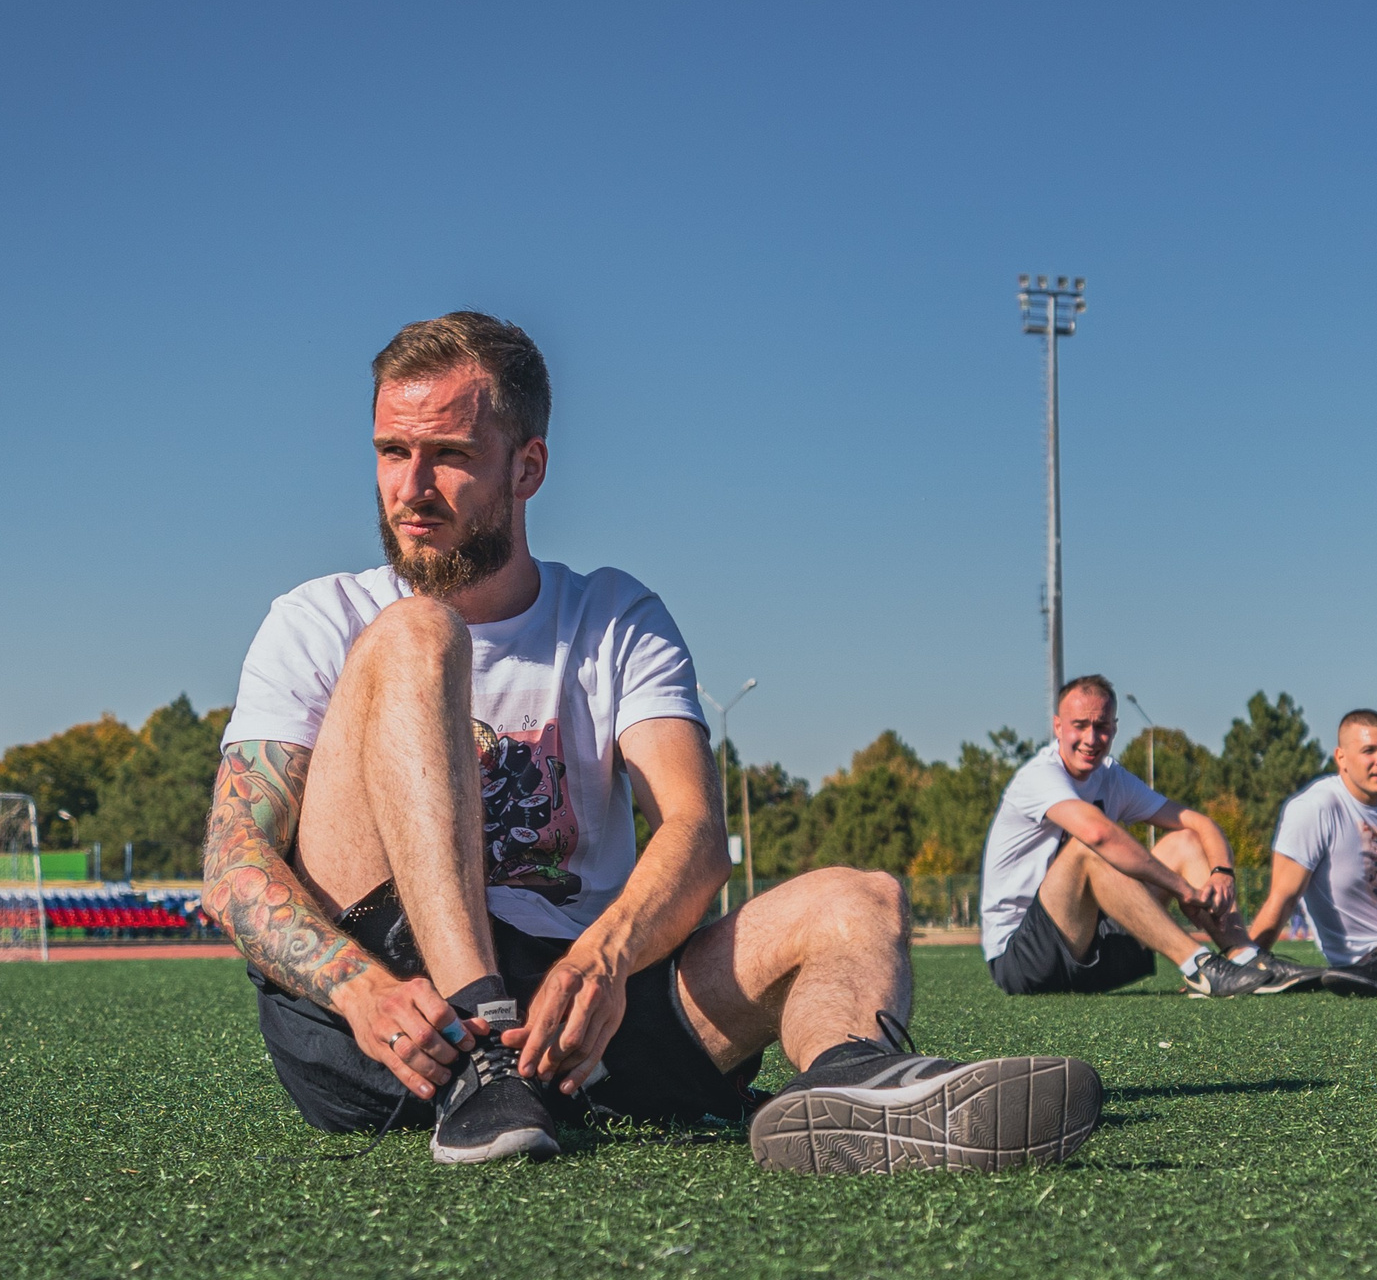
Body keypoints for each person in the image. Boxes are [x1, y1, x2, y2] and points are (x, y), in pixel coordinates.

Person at [204, 311, 1102, 1173]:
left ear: (528, 466)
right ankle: (481, 1050)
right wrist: (357, 989)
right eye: (392, 453)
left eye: (448, 456)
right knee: (419, 632)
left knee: (859, 898)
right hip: (399, 1019)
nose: (410, 488)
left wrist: (604, 961)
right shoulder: (319, 619)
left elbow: (695, 832)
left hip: (581, 1021)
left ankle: (848, 1086)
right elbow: (235, 862)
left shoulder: (610, 615)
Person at [979, 674, 1319, 998]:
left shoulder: (1112, 777)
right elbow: (1097, 835)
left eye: (1101, 727)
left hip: (1092, 951)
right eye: (1079, 726)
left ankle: (1244, 956)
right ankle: (1201, 967)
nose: (1090, 738)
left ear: (1114, 729)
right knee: (1090, 845)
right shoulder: (1039, 776)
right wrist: (1183, 889)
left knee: (1185, 841)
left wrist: (1222, 873)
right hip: (1023, 959)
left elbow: (1201, 824)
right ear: (1057, 727)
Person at [1243, 710, 1377, 996]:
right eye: (1369, 751)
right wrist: (1240, 967)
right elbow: (1282, 898)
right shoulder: (1314, 808)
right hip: (1363, 960)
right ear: (1341, 758)